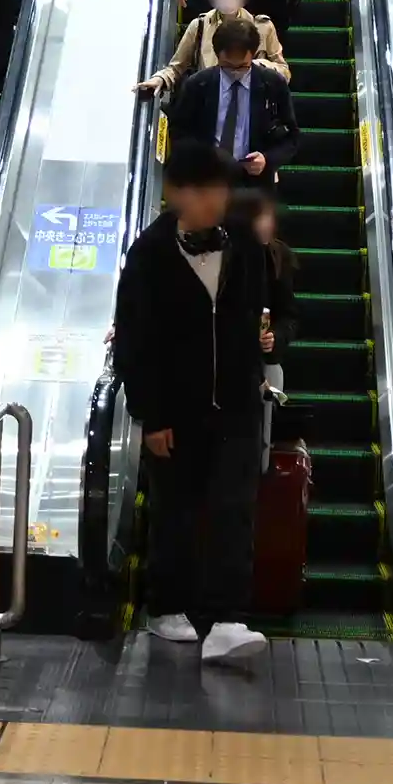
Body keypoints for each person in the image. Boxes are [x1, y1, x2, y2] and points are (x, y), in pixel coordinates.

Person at [113, 140, 270, 663]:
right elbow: (136, 341)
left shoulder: (245, 243)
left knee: (234, 509)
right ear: (176, 193)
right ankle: (167, 606)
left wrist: (268, 346)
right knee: (174, 509)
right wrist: (150, 416)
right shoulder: (149, 253)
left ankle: (228, 617)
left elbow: (268, 311)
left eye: (220, 190)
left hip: (237, 402)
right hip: (175, 409)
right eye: (202, 191)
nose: (214, 202)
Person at [168, 18, 301, 188]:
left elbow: (292, 137)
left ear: (253, 55)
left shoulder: (273, 84)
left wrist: (267, 160)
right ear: (217, 56)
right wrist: (201, 158)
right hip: (206, 181)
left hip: (255, 184)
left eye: (243, 66)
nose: (235, 72)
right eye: (228, 66)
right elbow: (179, 132)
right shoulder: (197, 84)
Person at [135, 0, 289, 96]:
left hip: (252, 104)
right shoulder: (199, 26)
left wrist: (259, 66)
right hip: (210, 104)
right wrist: (160, 79)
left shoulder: (262, 26)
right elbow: (176, 67)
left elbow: (284, 73)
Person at [230, 187, 298, 468]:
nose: (269, 224)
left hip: (264, 364)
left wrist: (275, 337)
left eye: (271, 217)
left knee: (260, 443)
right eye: (262, 217)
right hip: (226, 364)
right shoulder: (223, 256)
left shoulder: (277, 256)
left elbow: (290, 316)